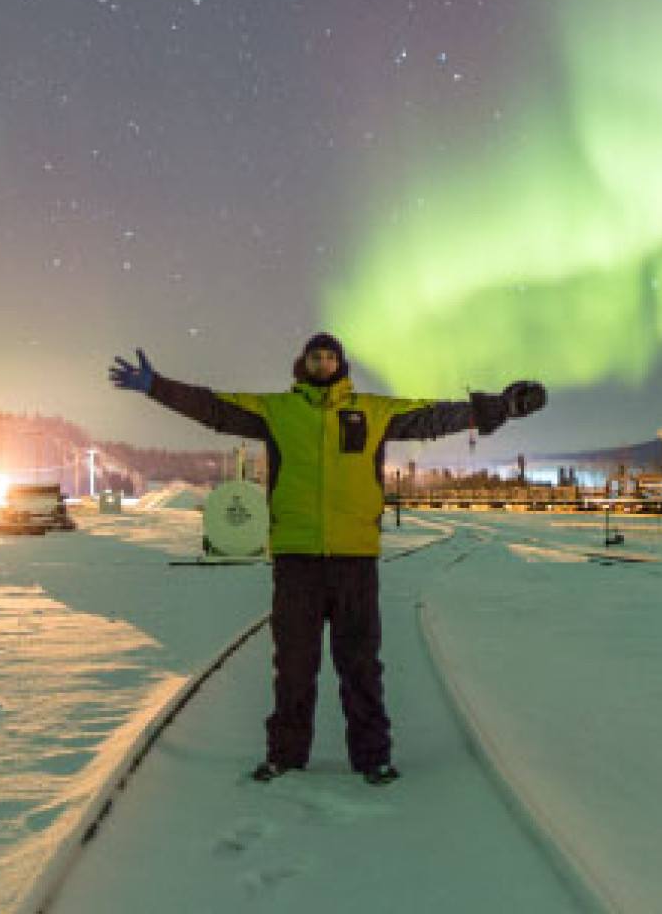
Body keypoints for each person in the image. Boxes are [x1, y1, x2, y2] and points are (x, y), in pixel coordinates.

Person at [109, 332, 545, 785]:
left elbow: (435, 417)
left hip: (354, 559)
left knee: (360, 663)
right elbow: (213, 408)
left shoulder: (374, 411)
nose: (323, 362)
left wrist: (502, 407)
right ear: (304, 362)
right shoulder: (277, 410)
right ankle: (285, 756)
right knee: (294, 663)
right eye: (315, 356)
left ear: (341, 363)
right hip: (298, 559)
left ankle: (373, 759)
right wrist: (156, 386)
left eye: (330, 355)